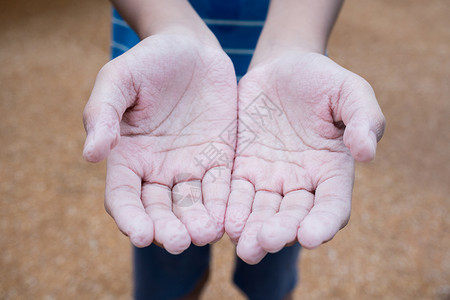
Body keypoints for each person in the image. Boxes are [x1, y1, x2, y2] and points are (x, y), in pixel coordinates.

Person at [82, 0, 386, 299]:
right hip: (163, 100)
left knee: (275, 242)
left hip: (290, 115)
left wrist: (296, 42)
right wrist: (169, 25)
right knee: (167, 245)